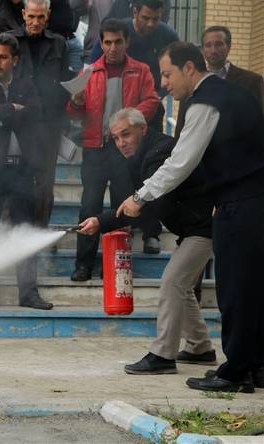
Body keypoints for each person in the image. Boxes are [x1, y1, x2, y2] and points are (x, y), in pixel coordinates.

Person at [118, 42, 264, 393]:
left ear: (188, 68)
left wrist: (140, 196)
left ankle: (235, 373)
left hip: (241, 204)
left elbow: (180, 162)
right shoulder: (232, 93)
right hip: (250, 199)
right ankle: (255, 367)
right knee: (252, 289)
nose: (164, 83)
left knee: (236, 290)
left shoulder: (205, 101)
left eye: (167, 74)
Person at [78, 108, 215, 375]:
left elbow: (148, 206)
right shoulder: (143, 155)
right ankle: (200, 348)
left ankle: (163, 355)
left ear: (142, 129)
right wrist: (100, 222)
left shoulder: (158, 153)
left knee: (173, 282)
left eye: (126, 134)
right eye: (116, 138)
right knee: (183, 286)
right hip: (192, 228)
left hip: (204, 227)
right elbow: (138, 205)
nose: (121, 143)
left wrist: (103, 221)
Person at [67, 18, 158, 282]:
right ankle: (83, 264)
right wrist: (76, 102)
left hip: (125, 150)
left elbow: (152, 101)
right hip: (95, 148)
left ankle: (116, 266)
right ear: (101, 42)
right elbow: (73, 113)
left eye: (118, 42)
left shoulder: (141, 70)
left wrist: (130, 122)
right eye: (107, 42)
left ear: (127, 41)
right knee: (89, 206)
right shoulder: (89, 72)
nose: (113, 47)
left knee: (122, 208)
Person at [0, 32, 53, 311]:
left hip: (22, 170)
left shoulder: (27, 87)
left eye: (2, 57)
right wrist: (12, 110)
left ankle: (28, 293)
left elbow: (35, 114)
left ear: (15, 60)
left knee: (24, 232)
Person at [13, 0, 72, 228]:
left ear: (48, 15)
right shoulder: (10, 41)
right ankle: (14, 232)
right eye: (31, 16)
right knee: (15, 181)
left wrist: (64, 121)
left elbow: (64, 83)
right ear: (23, 14)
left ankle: (39, 231)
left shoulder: (59, 44)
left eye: (40, 17)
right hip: (17, 123)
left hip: (48, 123)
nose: (36, 22)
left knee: (45, 185)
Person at [90, 0, 178, 132]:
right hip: (116, 104)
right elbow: (94, 65)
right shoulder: (118, 31)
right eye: (145, 18)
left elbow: (177, 68)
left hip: (151, 105)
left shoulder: (168, 36)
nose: (150, 24)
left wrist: (160, 93)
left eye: (155, 19)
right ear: (135, 12)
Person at [201, 26, 264, 114]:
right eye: (208, 45)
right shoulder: (195, 83)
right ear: (202, 50)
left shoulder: (252, 81)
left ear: (229, 47)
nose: (213, 50)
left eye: (219, 44)